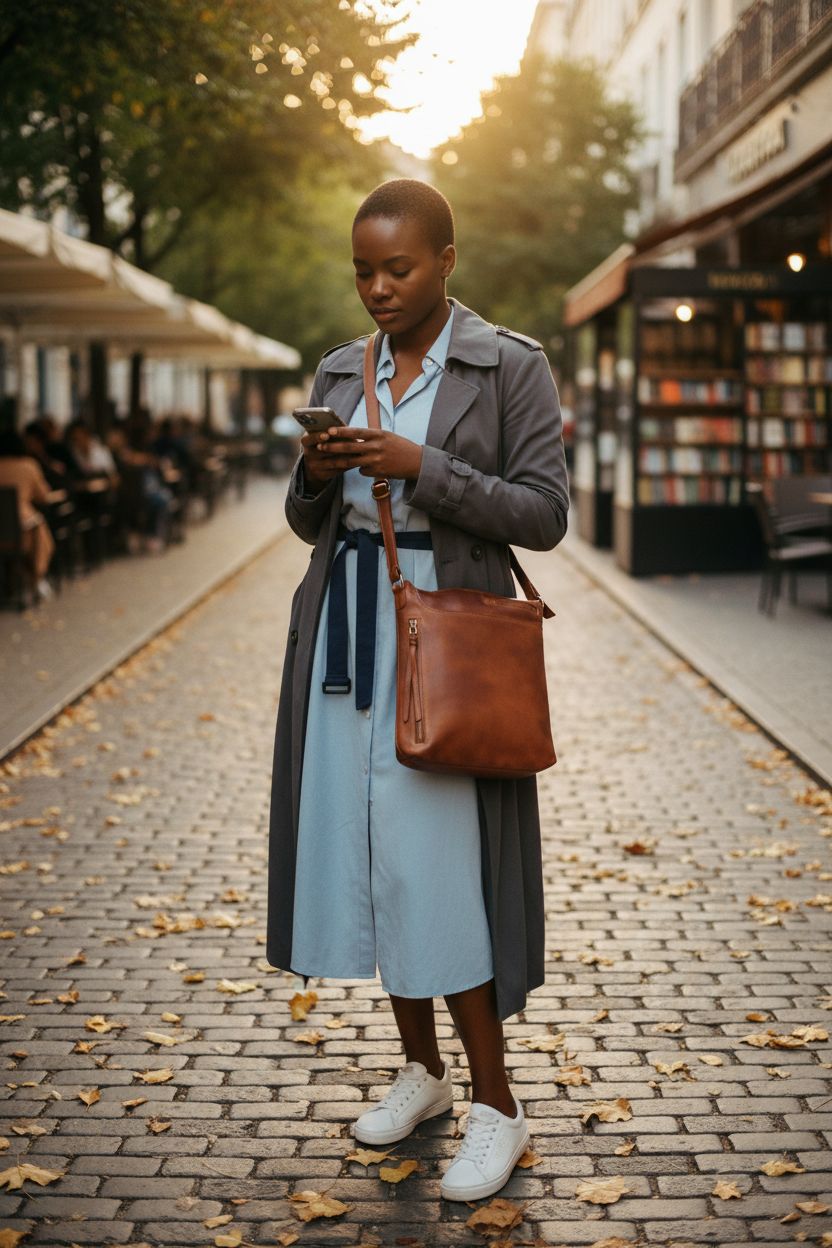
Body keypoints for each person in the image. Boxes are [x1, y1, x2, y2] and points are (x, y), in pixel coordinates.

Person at [266, 179, 569, 1203]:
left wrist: (419, 464)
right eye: (362, 269)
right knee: (367, 856)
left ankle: (500, 1105)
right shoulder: (340, 368)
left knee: (440, 873)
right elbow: (310, 521)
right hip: (345, 642)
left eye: (397, 267)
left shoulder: (508, 366)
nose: (377, 287)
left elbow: (543, 514)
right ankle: (426, 1076)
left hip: (445, 643)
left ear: (447, 258)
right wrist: (319, 470)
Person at [0, 430, 58, 600]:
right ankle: (36, 578)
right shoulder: (28, 465)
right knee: (38, 531)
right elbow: (43, 496)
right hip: (20, 530)